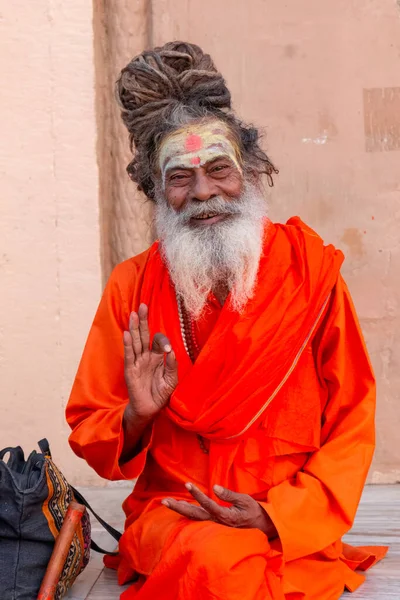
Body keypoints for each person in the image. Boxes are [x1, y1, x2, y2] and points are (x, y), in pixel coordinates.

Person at [66, 41, 387, 600]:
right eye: (180, 178)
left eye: (219, 170)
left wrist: (274, 516)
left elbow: (352, 420)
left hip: (284, 520)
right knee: (206, 555)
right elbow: (92, 427)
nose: (204, 193)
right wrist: (137, 417)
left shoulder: (308, 274)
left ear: (252, 170)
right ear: (157, 191)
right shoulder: (132, 287)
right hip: (173, 515)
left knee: (218, 562)